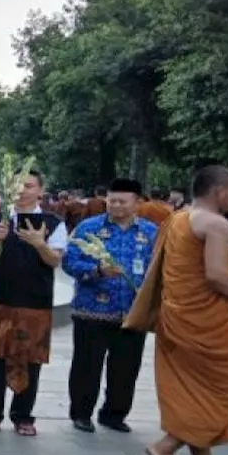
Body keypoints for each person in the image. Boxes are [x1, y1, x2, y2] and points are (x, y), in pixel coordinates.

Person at [126, 165, 228, 455]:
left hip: (177, 317)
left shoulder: (178, 218)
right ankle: (166, 446)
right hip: (208, 324)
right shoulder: (216, 224)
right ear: (221, 191)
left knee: (194, 389)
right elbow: (216, 275)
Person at [63, 178, 158, 434]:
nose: (115, 206)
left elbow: (160, 268)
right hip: (91, 310)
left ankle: (114, 414)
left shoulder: (150, 232)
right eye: (111, 200)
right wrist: (97, 270)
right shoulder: (89, 228)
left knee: (126, 368)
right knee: (87, 366)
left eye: (122, 201)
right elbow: (69, 262)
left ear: (138, 203)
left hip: (132, 312)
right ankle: (81, 413)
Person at [0, 169, 67, 436]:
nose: (22, 191)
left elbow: (55, 260)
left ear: (40, 190)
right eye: (17, 186)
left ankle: (23, 415)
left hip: (35, 302)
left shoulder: (53, 222)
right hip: (0, 298)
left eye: (28, 186)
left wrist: (40, 243)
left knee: (31, 359)